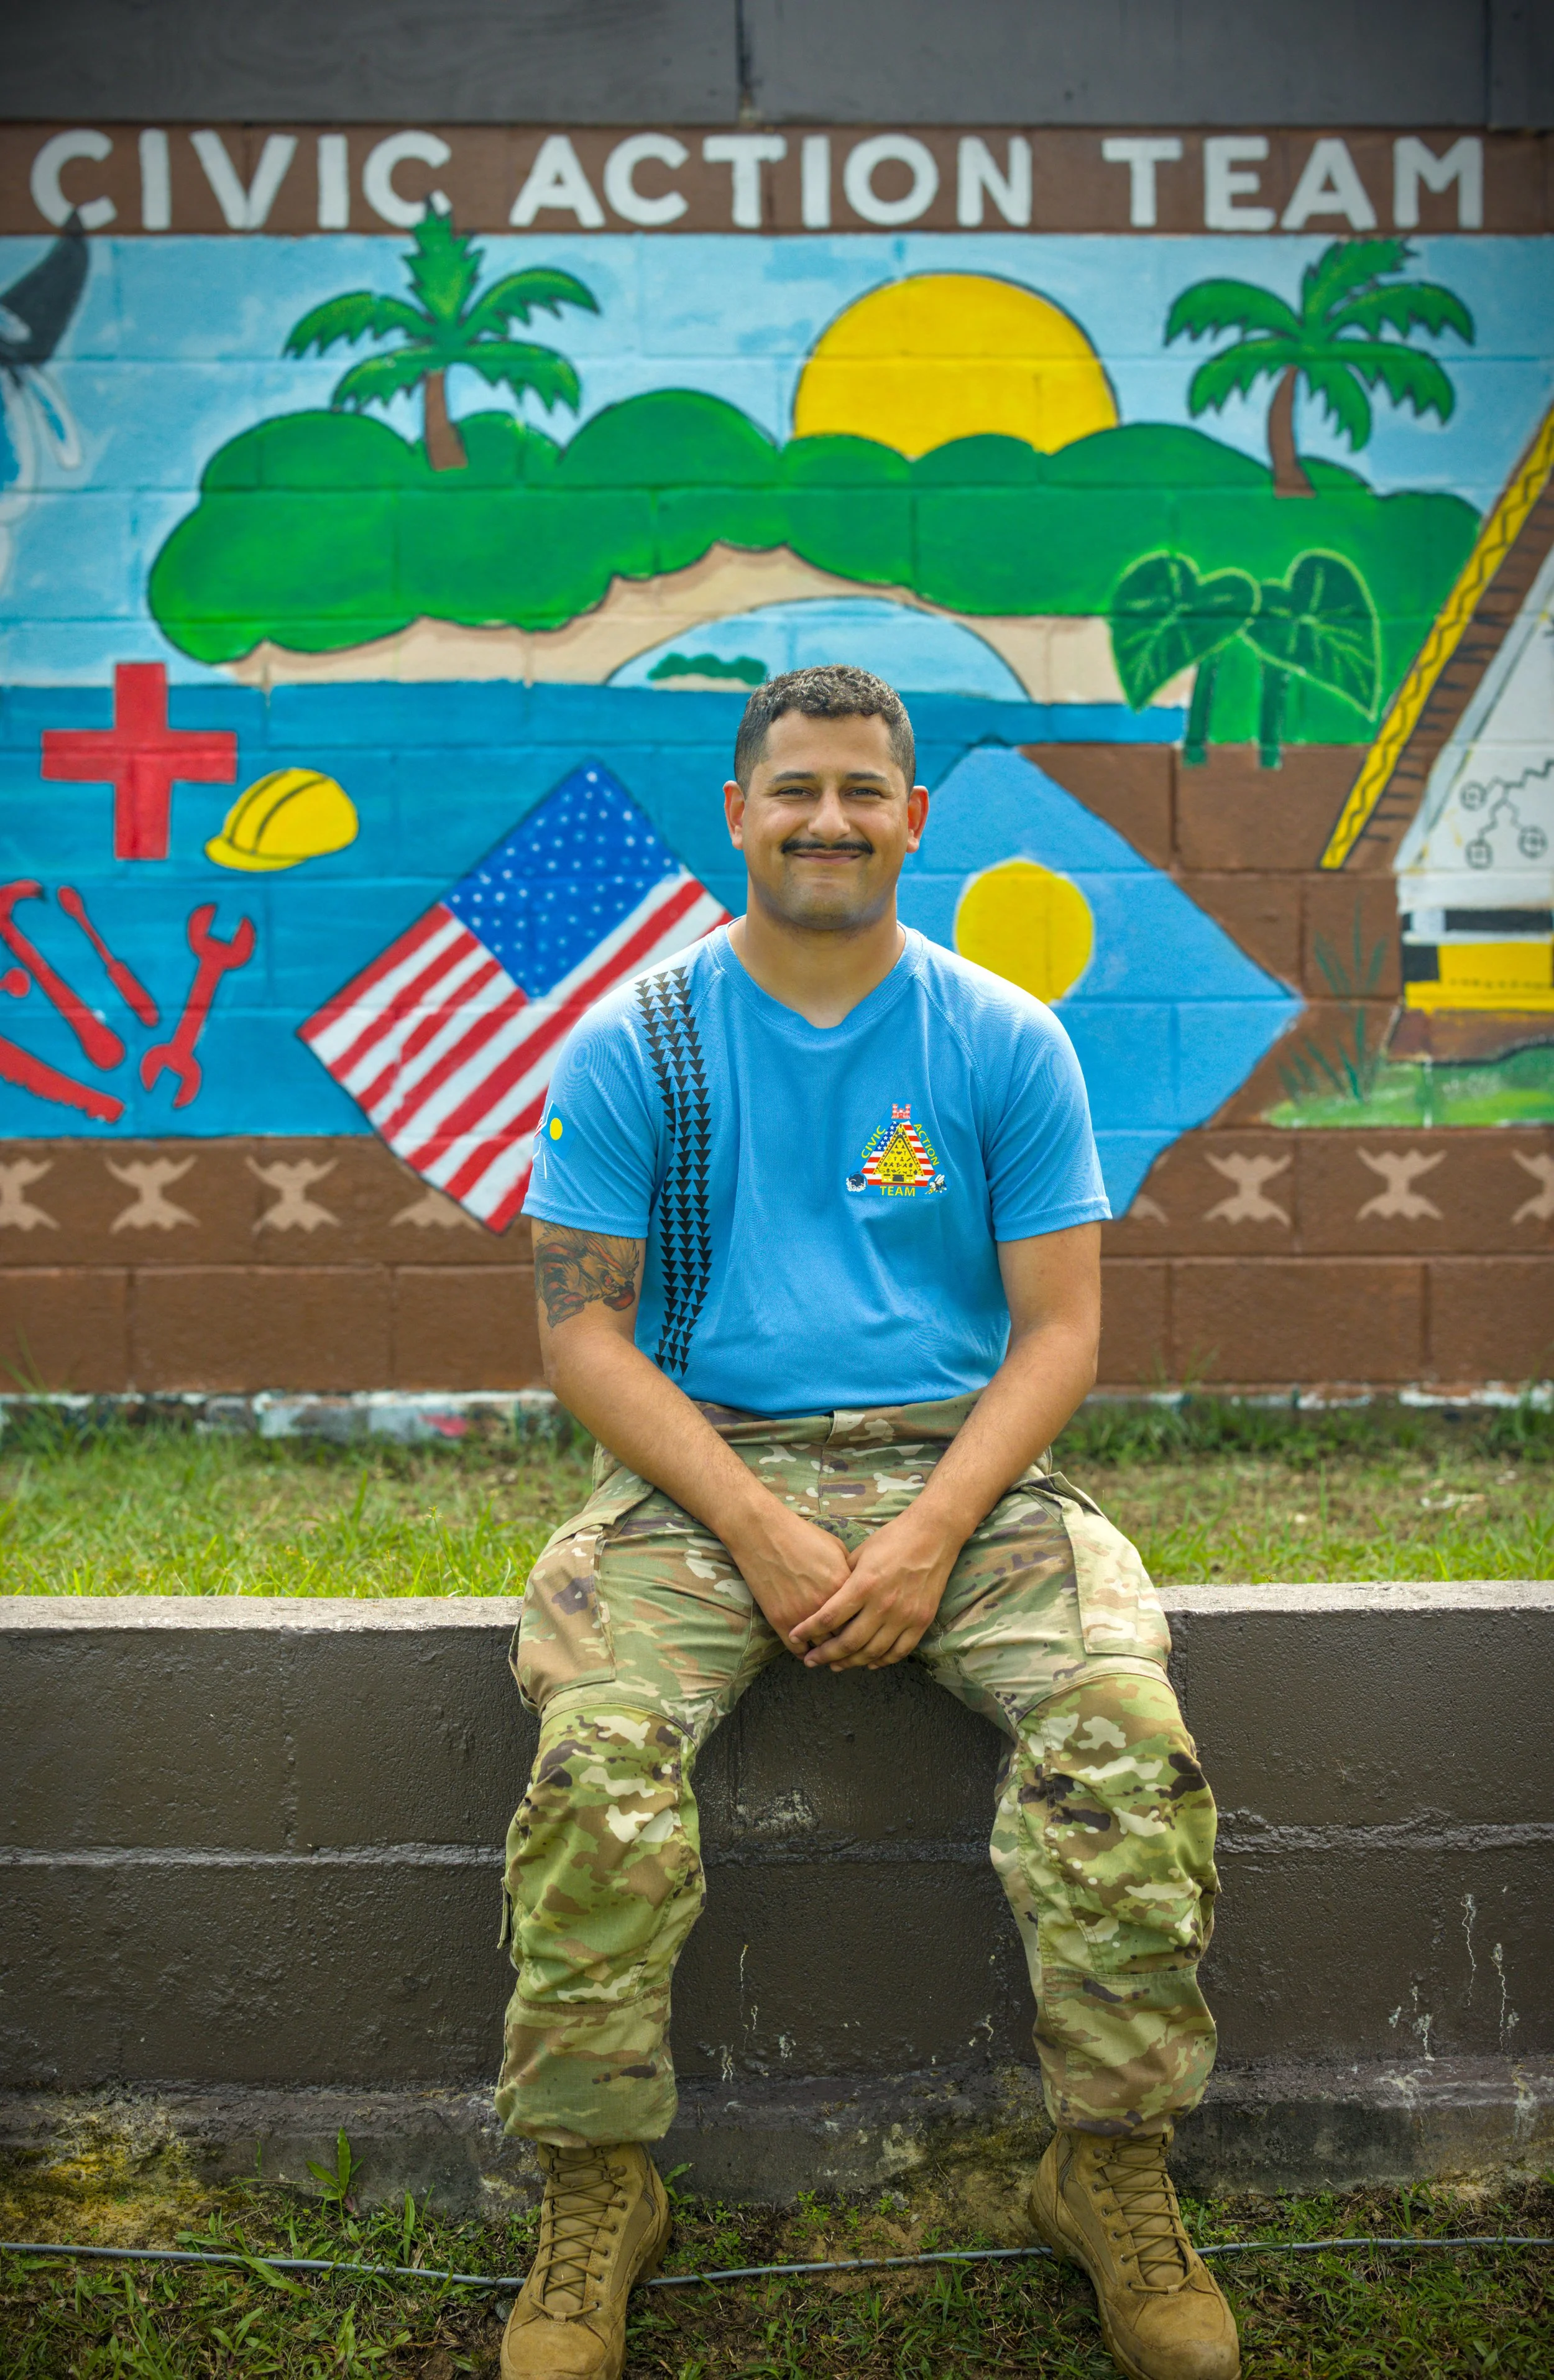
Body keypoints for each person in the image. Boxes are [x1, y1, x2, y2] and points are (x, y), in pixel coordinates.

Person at [495, 666, 1237, 2380]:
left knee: (1121, 1731)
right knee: (599, 1758)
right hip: (707, 1476)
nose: (825, 818)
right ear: (738, 813)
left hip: (959, 1472)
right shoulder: (635, 1041)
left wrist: (926, 1535)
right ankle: (598, 2187)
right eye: (793, 789)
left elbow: (1059, 1331)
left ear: (912, 818)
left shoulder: (1002, 1038)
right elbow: (581, 1335)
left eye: (859, 791)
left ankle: (1109, 2168)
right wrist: (759, 1526)